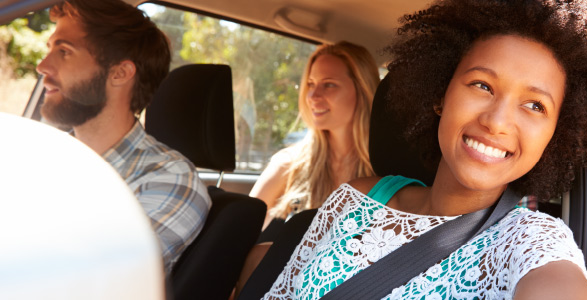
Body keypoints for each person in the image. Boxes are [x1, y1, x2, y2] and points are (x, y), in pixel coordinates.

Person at [259, 0, 587, 298]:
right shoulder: (355, 198)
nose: (496, 121)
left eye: (534, 105)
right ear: (441, 95)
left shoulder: (531, 242)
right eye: (481, 85)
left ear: (553, 136)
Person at [36, 0, 210, 274]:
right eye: (49, 49)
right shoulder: (40, 157)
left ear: (120, 73)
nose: (42, 66)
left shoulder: (168, 180)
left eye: (64, 51)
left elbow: (86, 280)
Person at [250, 41, 380, 229]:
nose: (312, 96)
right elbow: (238, 235)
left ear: (362, 90)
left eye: (329, 85)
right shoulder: (288, 165)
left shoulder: (386, 172)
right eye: (311, 84)